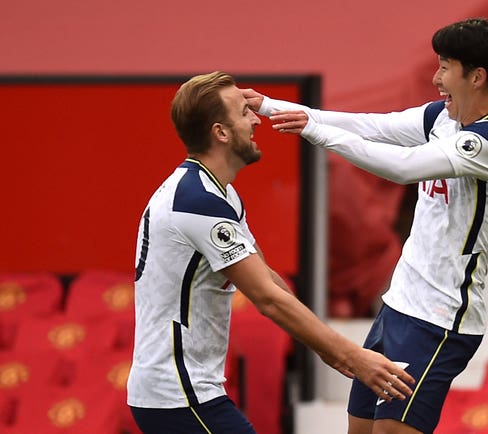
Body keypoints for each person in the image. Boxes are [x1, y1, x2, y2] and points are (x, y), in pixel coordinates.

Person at [243, 17, 488, 434]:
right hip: (397, 306)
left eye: (446, 66)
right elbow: (372, 125)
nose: (436, 78)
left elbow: (402, 167)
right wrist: (271, 106)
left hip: (440, 319)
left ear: (477, 76)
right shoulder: (442, 118)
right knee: (359, 429)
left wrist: (318, 133)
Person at [126, 71, 414, 434]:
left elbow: (270, 280)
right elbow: (266, 298)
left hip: (183, 392)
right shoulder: (198, 201)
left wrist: (329, 348)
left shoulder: (216, 193)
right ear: (221, 132)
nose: (255, 121)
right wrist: (352, 357)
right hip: (178, 396)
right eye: (244, 113)